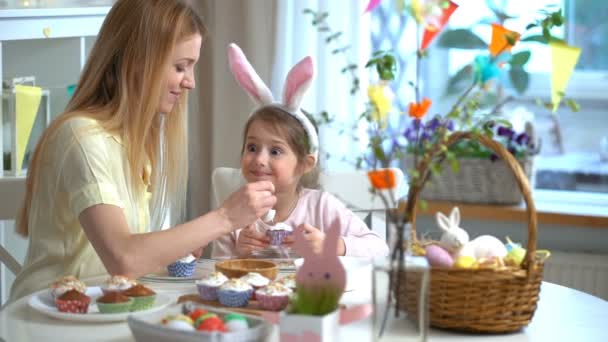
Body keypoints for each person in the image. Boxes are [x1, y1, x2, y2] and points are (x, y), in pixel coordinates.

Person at [9, 0, 276, 302]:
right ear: (138, 61)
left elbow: (127, 256)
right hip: (44, 319)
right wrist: (226, 217)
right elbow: (123, 258)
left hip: (102, 310)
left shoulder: (132, 144)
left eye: (191, 67)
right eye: (180, 67)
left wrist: (172, 246)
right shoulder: (81, 137)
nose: (190, 82)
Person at [212, 44, 389, 259]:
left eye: (275, 151)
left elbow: (380, 248)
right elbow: (217, 274)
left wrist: (332, 245)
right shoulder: (233, 211)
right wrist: (238, 254)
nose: (259, 159)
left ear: (305, 163)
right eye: (252, 147)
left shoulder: (321, 207)